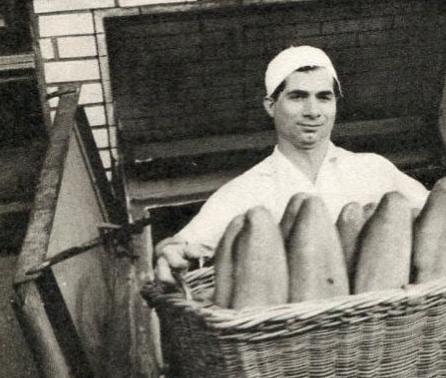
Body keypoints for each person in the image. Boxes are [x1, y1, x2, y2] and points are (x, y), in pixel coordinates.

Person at [154, 44, 429, 285]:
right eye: (297, 97)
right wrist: (168, 251)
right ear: (271, 106)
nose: (312, 111)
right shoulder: (244, 190)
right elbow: (182, 244)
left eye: (324, 97)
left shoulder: (373, 169)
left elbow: (436, 216)